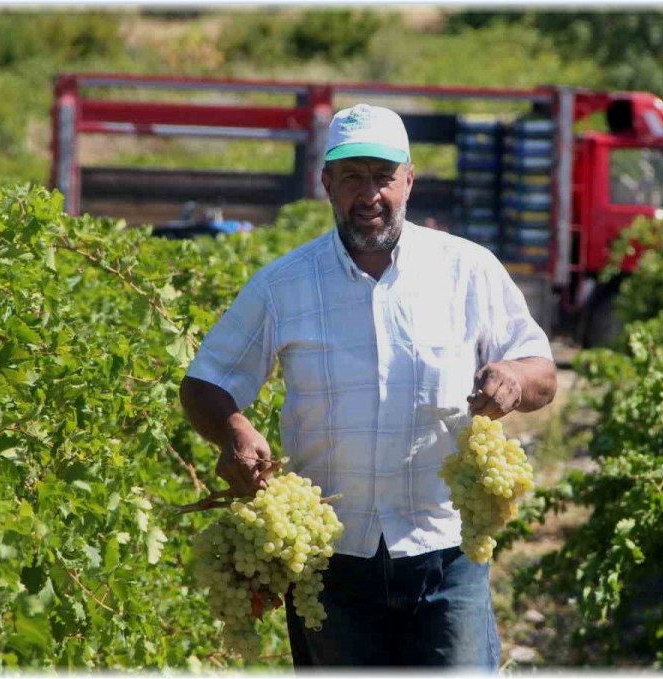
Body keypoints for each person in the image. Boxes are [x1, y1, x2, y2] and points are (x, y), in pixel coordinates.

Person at [179, 103, 557, 669]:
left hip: (445, 552)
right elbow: (205, 381)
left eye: (383, 177)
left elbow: (542, 373)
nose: (370, 193)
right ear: (326, 182)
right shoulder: (284, 286)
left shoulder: (467, 271)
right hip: (331, 565)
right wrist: (232, 429)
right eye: (352, 176)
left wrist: (513, 378)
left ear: (409, 181)